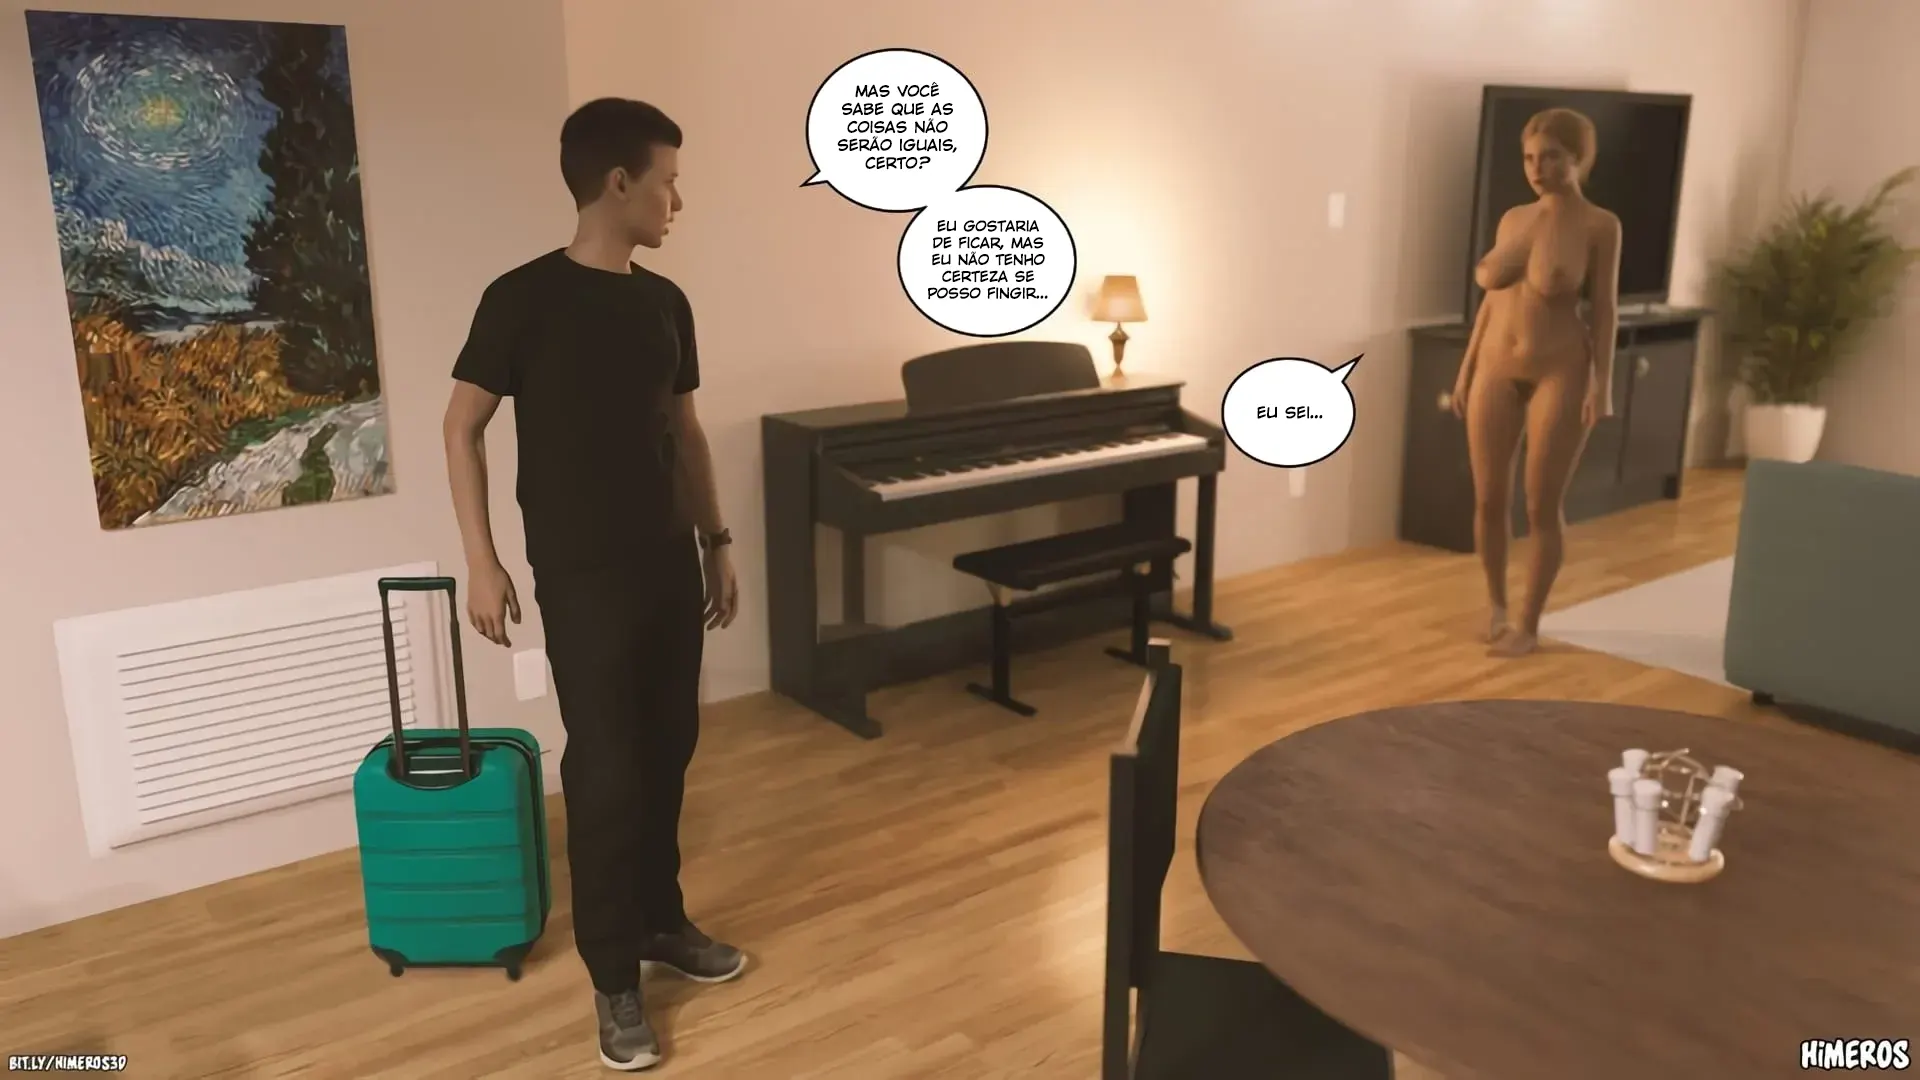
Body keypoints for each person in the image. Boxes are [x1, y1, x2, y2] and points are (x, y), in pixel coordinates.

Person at [442, 96, 743, 1072]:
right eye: (668, 183)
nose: (677, 202)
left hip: (666, 562)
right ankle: (614, 977)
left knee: (669, 749)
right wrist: (482, 560)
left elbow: (685, 432)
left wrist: (717, 542)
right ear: (619, 184)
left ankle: (661, 920)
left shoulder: (667, 303)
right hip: (581, 577)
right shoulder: (521, 298)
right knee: (608, 771)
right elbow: (461, 426)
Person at [1451, 107, 1621, 658]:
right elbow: (1490, 302)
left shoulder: (1600, 226)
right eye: (1529, 158)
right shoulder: (1512, 219)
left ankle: (1528, 623)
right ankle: (1497, 607)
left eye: (1550, 157)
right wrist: (1467, 368)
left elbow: (1605, 311)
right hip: (1496, 364)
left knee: (1541, 504)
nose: (1537, 168)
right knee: (1488, 497)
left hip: (1560, 367)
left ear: (1579, 158)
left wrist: (1602, 383)